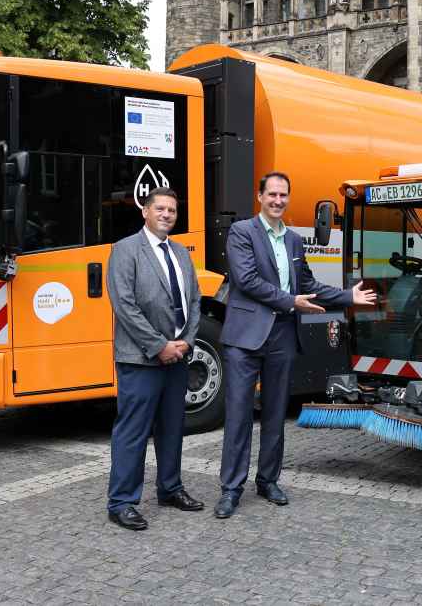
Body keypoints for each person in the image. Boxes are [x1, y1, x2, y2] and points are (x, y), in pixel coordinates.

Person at [215, 171, 377, 519]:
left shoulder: (294, 241)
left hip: (282, 336)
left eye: (283, 195)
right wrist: (291, 302)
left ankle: (268, 480)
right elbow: (246, 281)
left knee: (275, 413)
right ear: (260, 197)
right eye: (272, 194)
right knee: (239, 415)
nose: (277, 200)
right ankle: (231, 489)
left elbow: (308, 285)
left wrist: (348, 295)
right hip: (245, 337)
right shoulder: (243, 232)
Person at [106, 187, 203, 531]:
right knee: (133, 431)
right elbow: (124, 305)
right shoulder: (125, 249)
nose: (166, 214)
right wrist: (159, 345)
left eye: (172, 210)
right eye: (160, 208)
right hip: (141, 359)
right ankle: (121, 502)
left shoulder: (180, 252)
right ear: (145, 212)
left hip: (177, 357)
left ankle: (170, 488)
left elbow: (193, 301)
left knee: (172, 428)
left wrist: (186, 342)